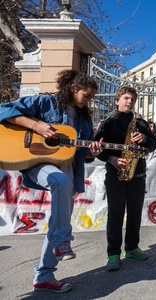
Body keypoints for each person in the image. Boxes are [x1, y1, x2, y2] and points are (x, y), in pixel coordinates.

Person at [0, 70, 103, 293]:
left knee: (58, 222)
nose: (89, 101)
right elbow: (3, 110)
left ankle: (44, 276)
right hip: (37, 165)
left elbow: (82, 153)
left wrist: (92, 151)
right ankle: (63, 241)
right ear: (74, 89)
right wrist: (37, 126)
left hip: (68, 173)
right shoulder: (46, 102)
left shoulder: (84, 119)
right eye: (86, 95)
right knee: (59, 184)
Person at [95, 87, 156, 271]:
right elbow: (96, 147)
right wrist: (111, 159)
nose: (130, 102)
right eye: (126, 98)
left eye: (132, 99)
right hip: (115, 175)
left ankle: (131, 247)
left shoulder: (141, 123)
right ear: (117, 101)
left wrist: (144, 137)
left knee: (135, 213)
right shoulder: (108, 123)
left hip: (137, 174)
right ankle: (113, 253)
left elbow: (153, 144)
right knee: (116, 214)